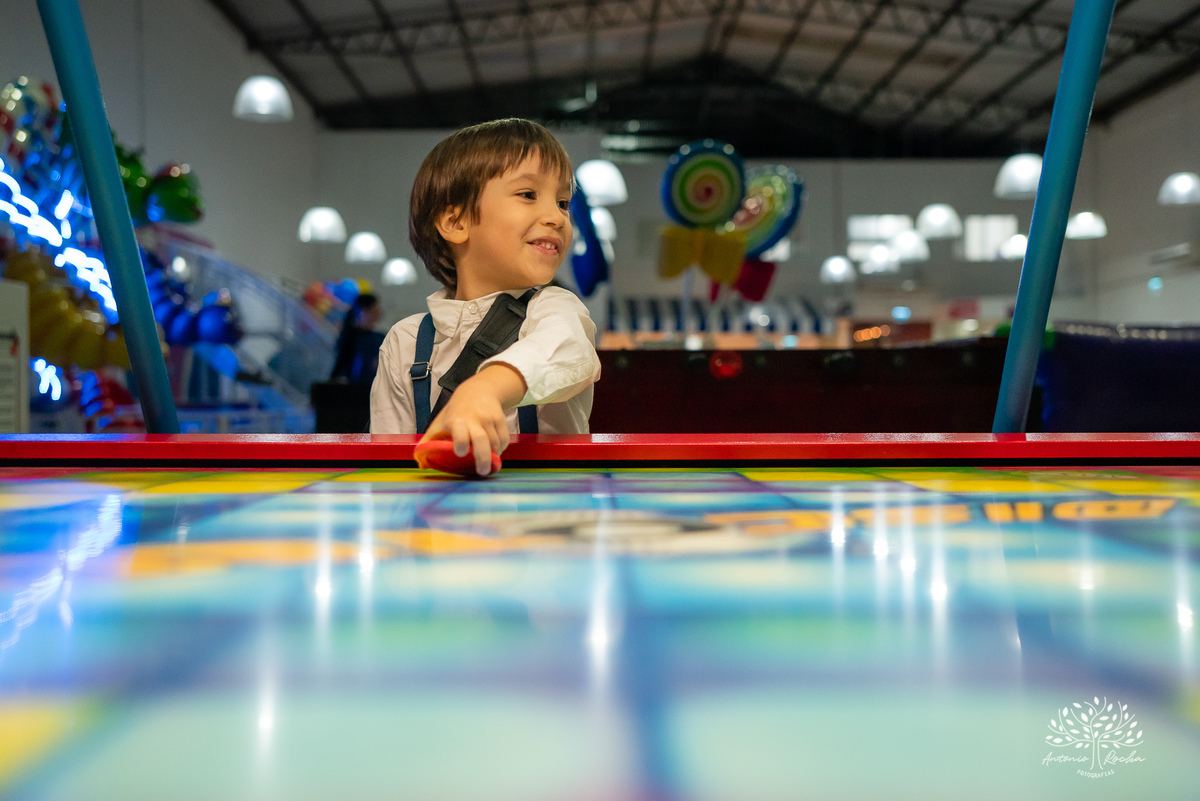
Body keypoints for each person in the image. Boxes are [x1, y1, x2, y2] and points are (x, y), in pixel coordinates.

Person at [369, 118, 601, 475]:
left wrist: (486, 389)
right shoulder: (406, 343)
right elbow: (390, 470)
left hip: (550, 524)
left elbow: (565, 347)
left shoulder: (555, 308)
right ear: (456, 222)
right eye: (528, 195)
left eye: (563, 202)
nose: (556, 217)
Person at [330, 292, 384, 383]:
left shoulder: (379, 337)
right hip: (356, 389)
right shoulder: (349, 338)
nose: (379, 312)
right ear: (363, 311)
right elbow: (342, 367)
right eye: (374, 309)